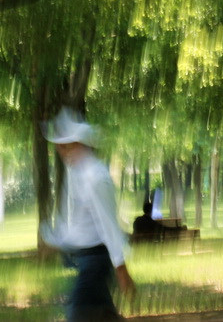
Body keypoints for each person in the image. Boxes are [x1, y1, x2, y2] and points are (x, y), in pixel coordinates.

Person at [41, 108, 135, 321]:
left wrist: (121, 269)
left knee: (79, 317)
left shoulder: (96, 177)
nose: (62, 153)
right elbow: (76, 223)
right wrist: (55, 238)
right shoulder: (77, 173)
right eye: (60, 148)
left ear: (80, 145)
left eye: (65, 147)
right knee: (103, 316)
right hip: (85, 260)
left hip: (96, 262)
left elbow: (108, 225)